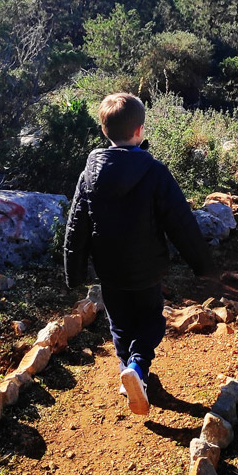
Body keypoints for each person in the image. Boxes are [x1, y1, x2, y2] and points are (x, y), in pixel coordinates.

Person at [63, 93, 211, 415]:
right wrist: (202, 264)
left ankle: (125, 370)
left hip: (110, 270)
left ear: (104, 131)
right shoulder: (155, 172)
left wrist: (73, 272)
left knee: (119, 323)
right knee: (150, 321)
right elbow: (180, 221)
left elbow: (77, 224)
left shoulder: (89, 173)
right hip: (147, 270)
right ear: (140, 130)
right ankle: (138, 367)